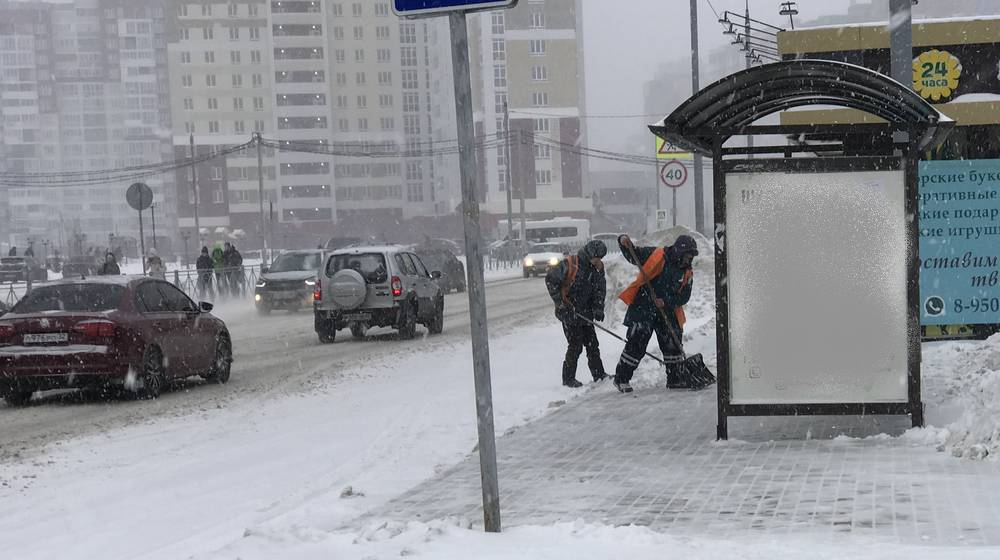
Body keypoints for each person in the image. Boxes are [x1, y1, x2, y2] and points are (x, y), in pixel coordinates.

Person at [613, 234, 698, 394]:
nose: (689, 260)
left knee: (673, 343)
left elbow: (684, 296)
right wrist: (624, 241)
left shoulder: (687, 272)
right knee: (637, 343)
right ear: (679, 251)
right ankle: (621, 378)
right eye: (687, 256)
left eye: (691, 257)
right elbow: (634, 254)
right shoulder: (656, 254)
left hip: (667, 310)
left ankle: (675, 379)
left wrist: (665, 302)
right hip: (643, 307)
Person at [545, 240, 609, 388]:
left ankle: (599, 374)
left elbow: (600, 288)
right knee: (575, 345)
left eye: (601, 258)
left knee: (593, 345)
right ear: (590, 254)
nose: (599, 261)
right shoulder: (570, 264)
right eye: (597, 257)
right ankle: (568, 379)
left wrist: (598, 308)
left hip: (585, 313)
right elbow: (550, 280)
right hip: (569, 311)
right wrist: (560, 303)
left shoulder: (597, 268)